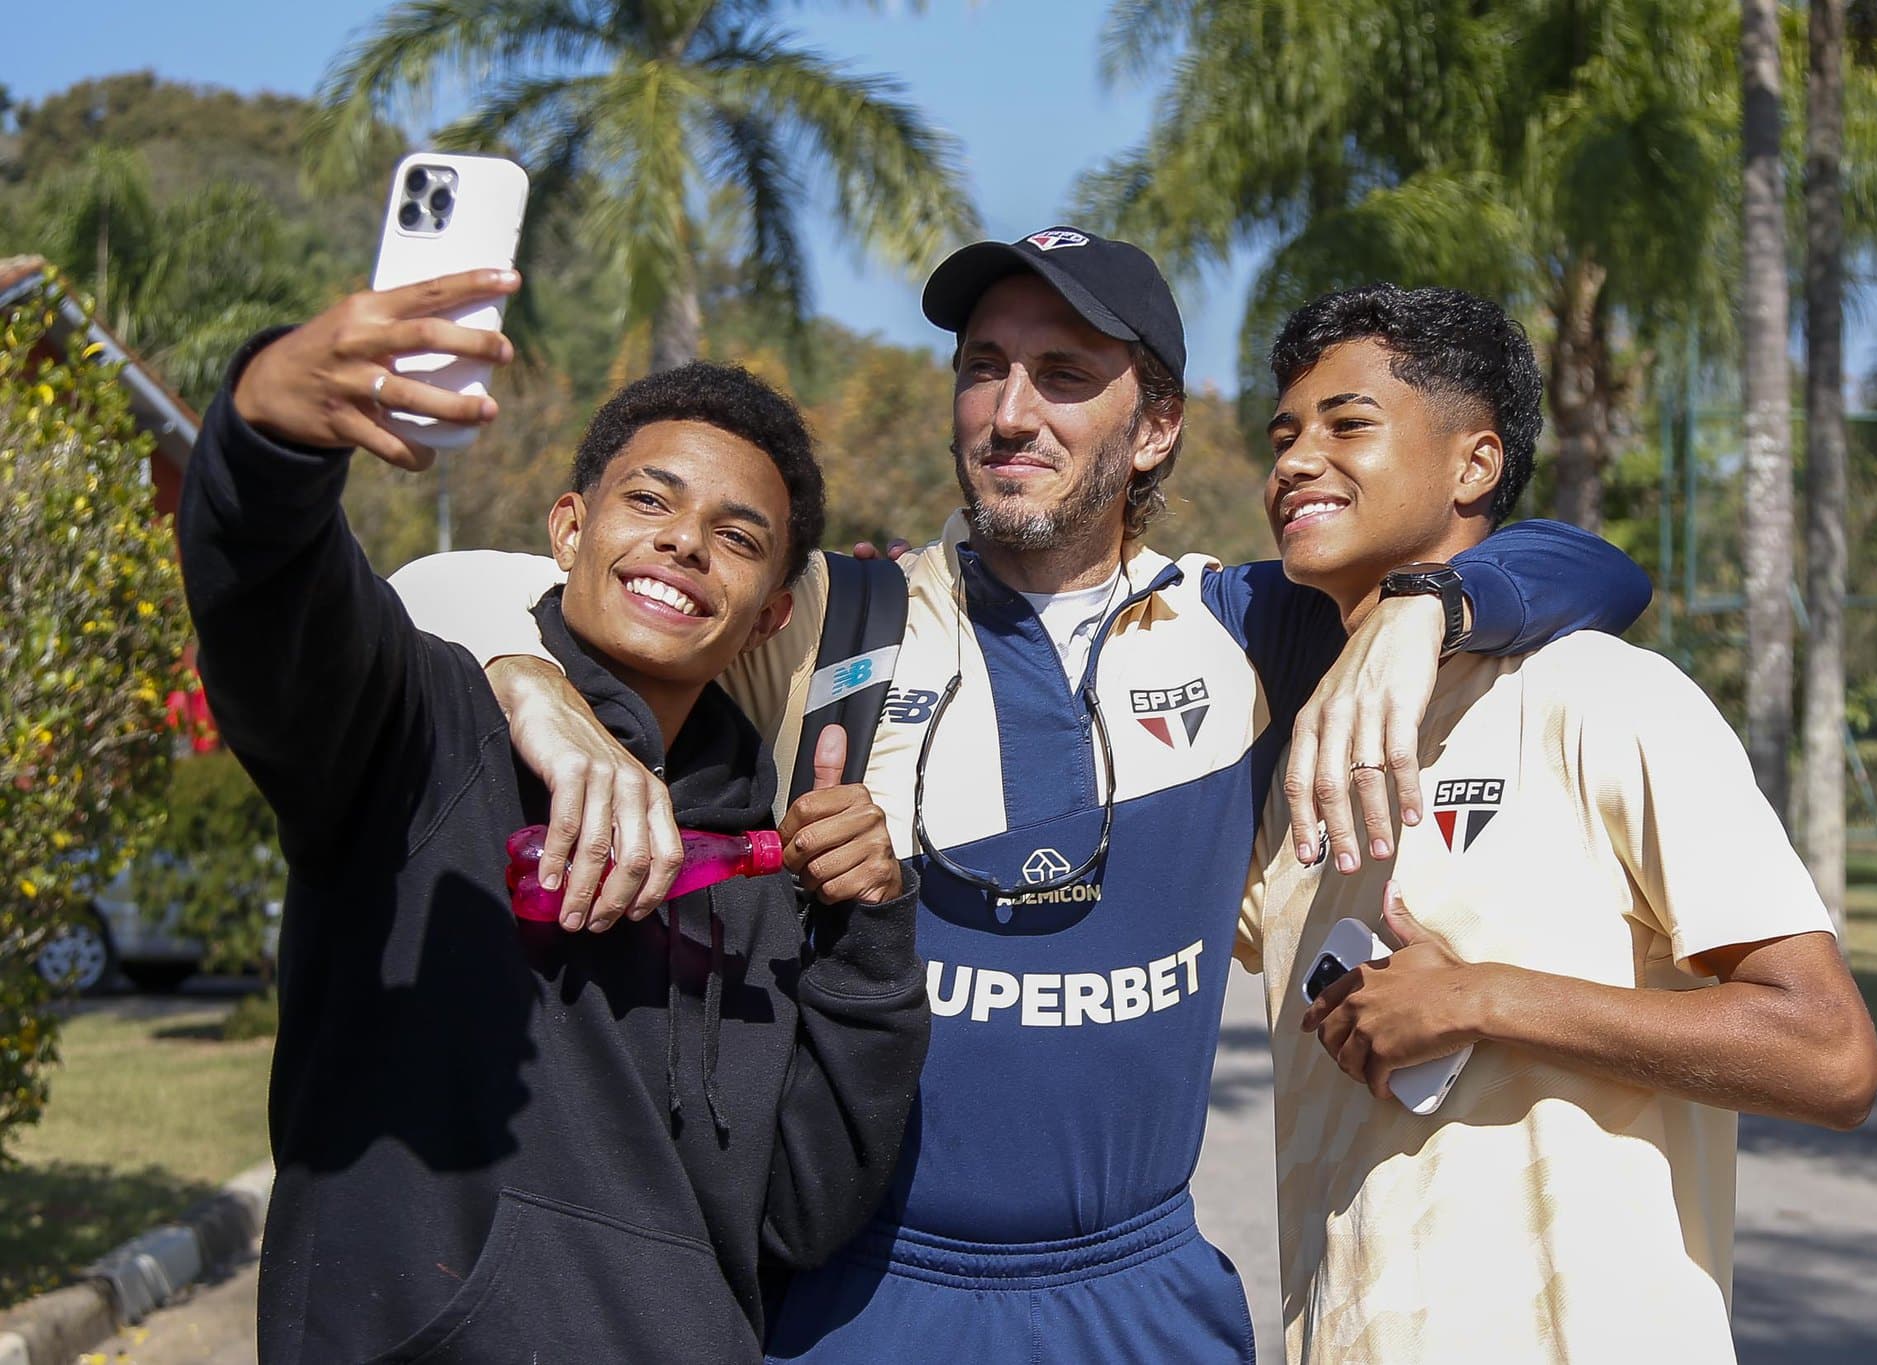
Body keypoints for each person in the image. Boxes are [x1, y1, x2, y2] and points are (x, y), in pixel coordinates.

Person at [392, 231, 1651, 1362]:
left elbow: (1591, 568)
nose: (1008, 411)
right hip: (859, 1298)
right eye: (982, 366)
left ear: (1153, 427)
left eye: (1061, 376)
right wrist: (532, 682)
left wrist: (1414, 618)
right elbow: (435, 583)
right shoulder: (826, 613)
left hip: (1136, 1299)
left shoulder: (1245, 625)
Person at [178, 268, 930, 1364]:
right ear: (567, 528)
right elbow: (273, 602)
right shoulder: (415, 726)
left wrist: (867, 930)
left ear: (769, 614)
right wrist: (266, 437)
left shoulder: (765, 865)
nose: (682, 542)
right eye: (650, 500)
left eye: (735, 533)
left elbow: (796, 1213)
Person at [1238, 283, 1877, 1364]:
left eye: (1348, 424)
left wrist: (1481, 998)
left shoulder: (1598, 695)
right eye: (1284, 434)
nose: (1296, 459)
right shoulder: (1305, 749)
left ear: (1473, 464)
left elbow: (1826, 1054)